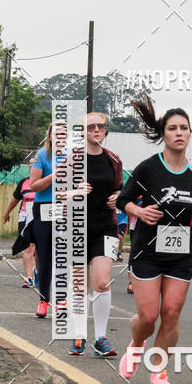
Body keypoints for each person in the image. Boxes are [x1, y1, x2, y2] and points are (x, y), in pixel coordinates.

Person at [116, 96, 192, 384]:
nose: (179, 133)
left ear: (190, 133)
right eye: (173, 128)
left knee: (171, 313)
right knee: (148, 317)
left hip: (180, 254)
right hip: (147, 251)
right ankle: (136, 343)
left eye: (184, 128)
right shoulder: (148, 168)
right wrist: (140, 212)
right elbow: (122, 200)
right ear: (163, 134)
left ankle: (158, 371)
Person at [67, 113, 124, 358]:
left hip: (106, 228)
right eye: (91, 127)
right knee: (80, 284)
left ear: (105, 130)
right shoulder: (72, 159)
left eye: (101, 126)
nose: (96, 130)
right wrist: (75, 192)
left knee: (102, 282)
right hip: (77, 227)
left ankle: (100, 338)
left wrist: (118, 198)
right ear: (83, 132)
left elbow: (121, 190)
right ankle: (79, 334)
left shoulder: (114, 160)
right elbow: (58, 194)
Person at [29, 124, 67, 318]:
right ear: (50, 136)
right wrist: (54, 175)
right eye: (56, 133)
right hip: (44, 208)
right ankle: (44, 300)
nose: (60, 136)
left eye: (63, 133)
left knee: (62, 257)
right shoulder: (42, 155)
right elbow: (34, 185)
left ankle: (61, 301)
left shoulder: (73, 156)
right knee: (44, 257)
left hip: (66, 208)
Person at [4, 159, 36, 287]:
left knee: (38, 248)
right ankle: (28, 278)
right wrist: (7, 213)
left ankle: (38, 272)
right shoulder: (23, 182)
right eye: (29, 165)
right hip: (24, 217)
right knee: (29, 247)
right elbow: (15, 199)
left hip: (40, 217)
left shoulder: (45, 181)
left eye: (33, 164)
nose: (31, 166)